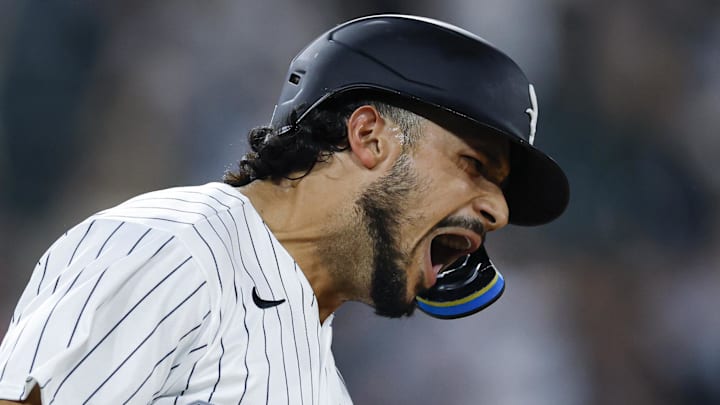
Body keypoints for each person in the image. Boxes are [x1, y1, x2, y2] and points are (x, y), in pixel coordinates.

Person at [0, 14, 569, 405]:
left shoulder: (320, 372)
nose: (497, 210)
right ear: (369, 135)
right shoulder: (173, 251)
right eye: (474, 165)